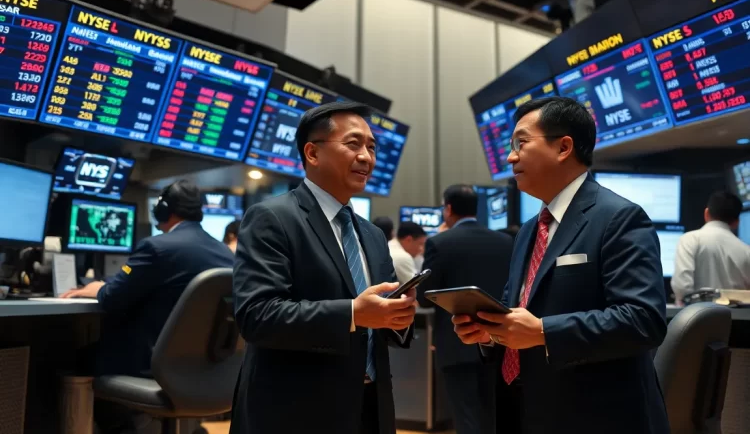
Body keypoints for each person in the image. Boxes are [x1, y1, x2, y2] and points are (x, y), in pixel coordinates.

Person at [452, 97, 670, 434]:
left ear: (563, 147)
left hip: (594, 415)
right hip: (525, 407)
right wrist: (491, 333)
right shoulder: (529, 230)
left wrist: (543, 332)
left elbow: (643, 320)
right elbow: (518, 309)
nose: (510, 157)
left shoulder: (618, 217)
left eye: (521, 143)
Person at [231, 101, 417, 434]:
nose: (366, 157)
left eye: (372, 147)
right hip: (297, 412)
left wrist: (398, 317)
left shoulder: (373, 235)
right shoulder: (272, 218)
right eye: (353, 144)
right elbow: (257, 316)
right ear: (313, 153)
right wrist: (353, 313)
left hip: (370, 408)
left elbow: (381, 318)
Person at [62, 179, 235, 376]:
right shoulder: (226, 254)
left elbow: (112, 298)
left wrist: (99, 289)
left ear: (163, 210)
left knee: (64, 356)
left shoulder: (156, 247)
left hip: (149, 362)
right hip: (205, 368)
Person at [417, 184, 513, 434]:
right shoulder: (506, 241)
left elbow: (425, 297)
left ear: (448, 209)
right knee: (495, 414)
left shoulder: (439, 242)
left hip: (456, 342)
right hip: (500, 340)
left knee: (466, 416)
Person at [671, 191, 750, 304]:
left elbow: (682, 287)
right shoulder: (746, 251)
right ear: (736, 222)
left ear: (706, 213)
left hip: (696, 313)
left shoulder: (689, 240)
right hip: (737, 315)